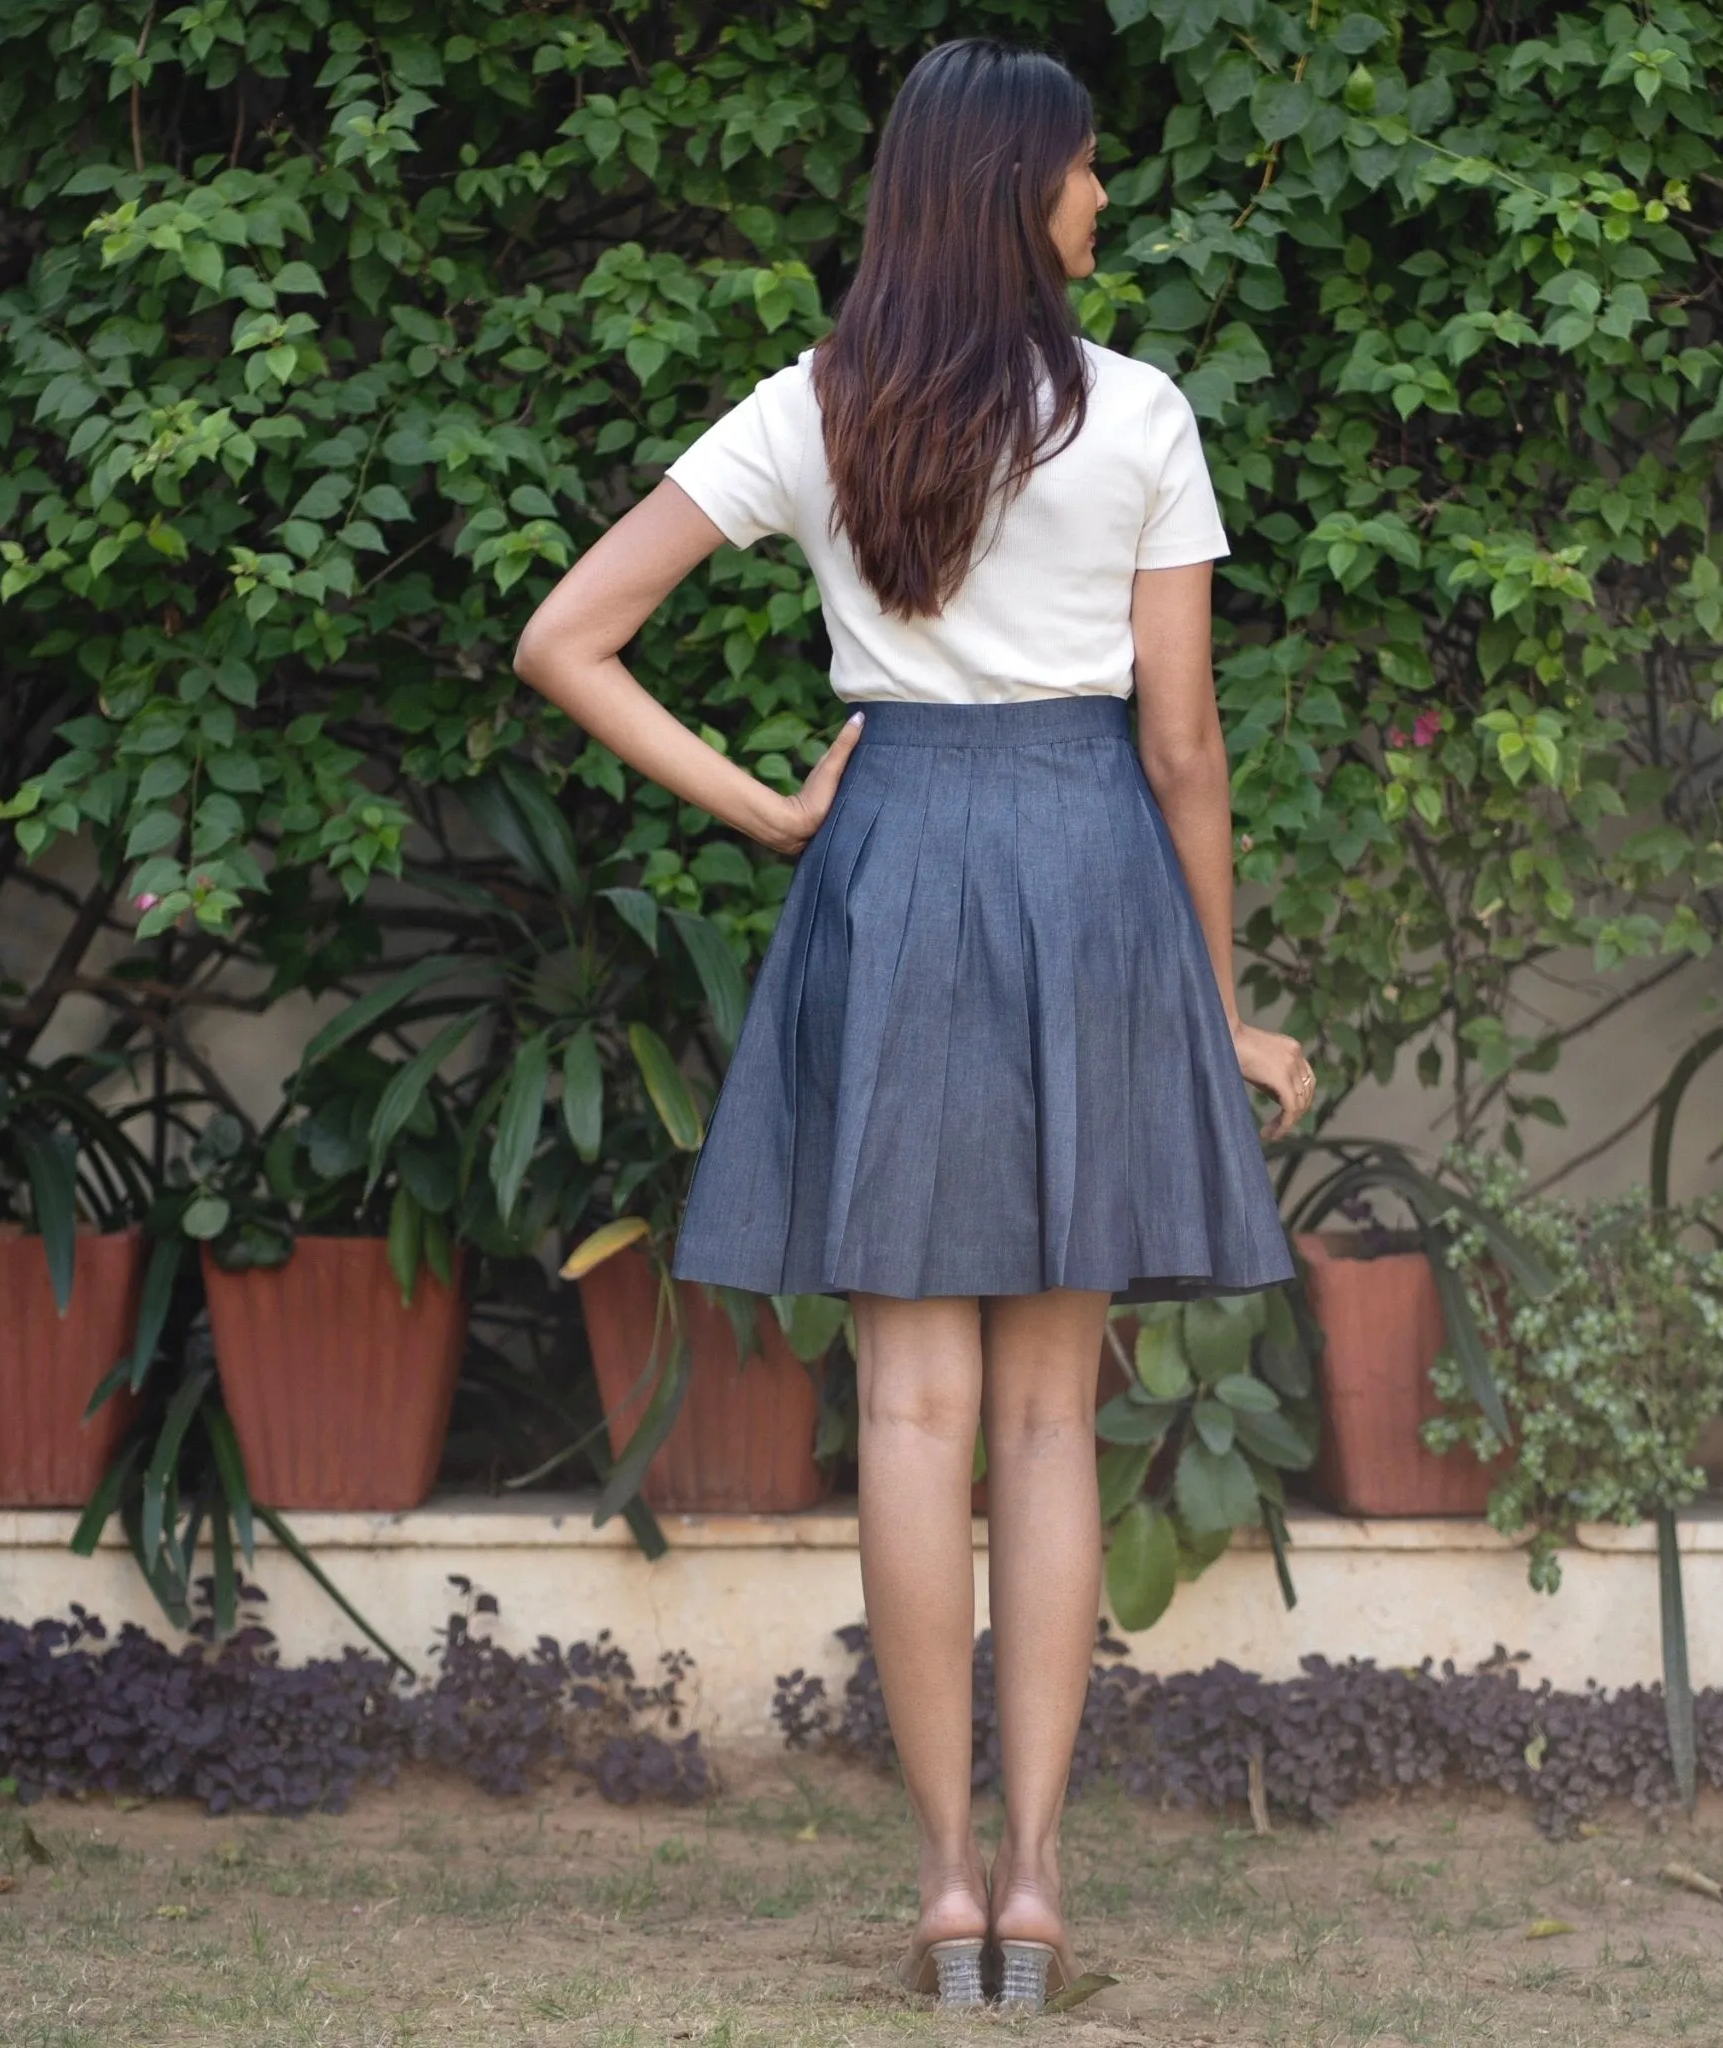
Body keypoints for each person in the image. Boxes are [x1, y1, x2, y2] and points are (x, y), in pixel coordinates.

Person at [513, 34, 1308, 2015]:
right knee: (1049, 1411)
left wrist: (772, 808)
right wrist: (1220, 1010)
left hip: (889, 885)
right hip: (1088, 879)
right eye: (1085, 172)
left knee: (913, 1413)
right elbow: (1184, 748)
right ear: (1018, 192)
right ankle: (1040, 1886)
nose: (1102, 200)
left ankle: (942, 1884)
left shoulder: (814, 409)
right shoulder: (1137, 416)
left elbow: (563, 636)